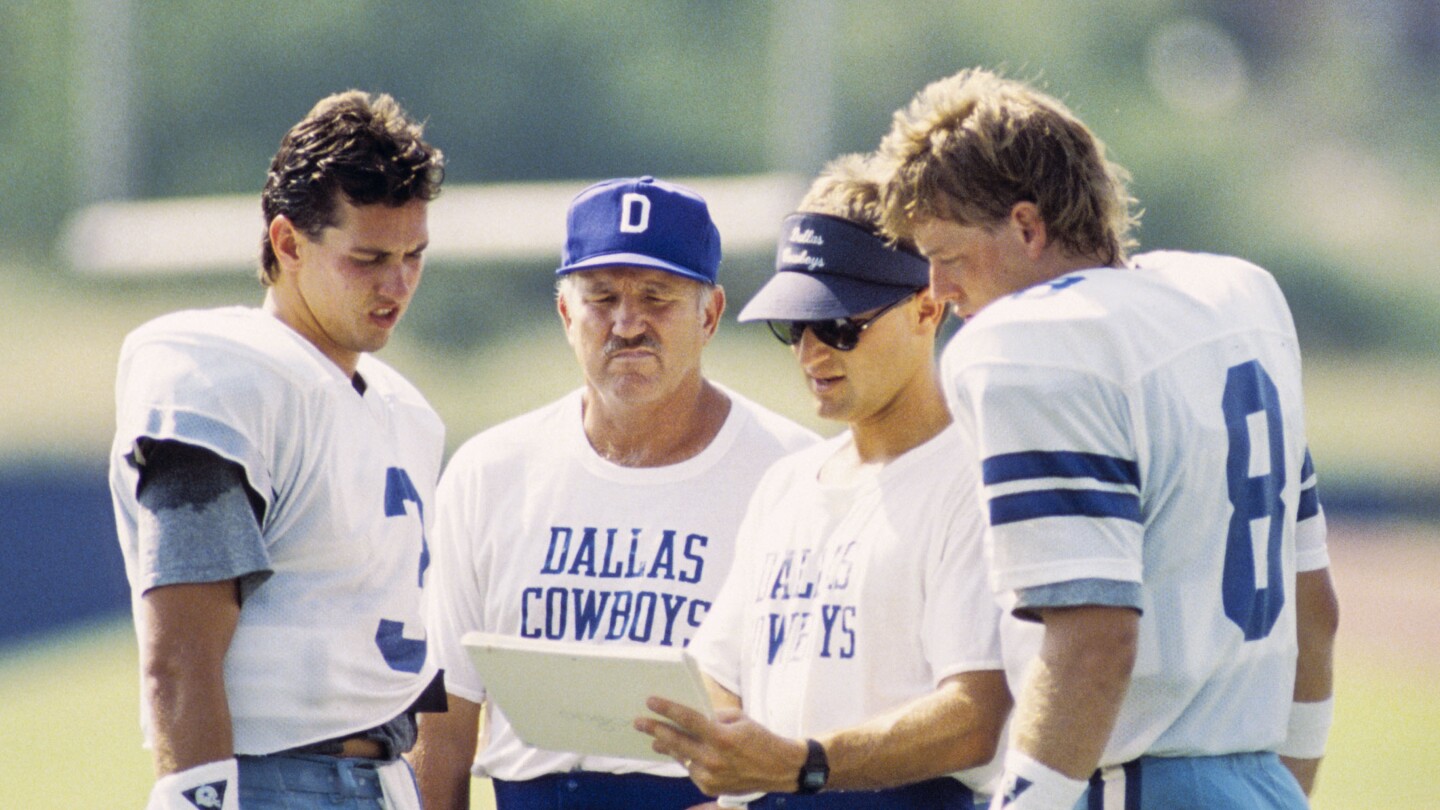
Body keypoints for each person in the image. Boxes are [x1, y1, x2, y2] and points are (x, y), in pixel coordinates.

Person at [875, 67, 1340, 809]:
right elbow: (1315, 608)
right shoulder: (1239, 297)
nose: (937, 288)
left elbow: (1093, 643)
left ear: (1027, 227)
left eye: (949, 257)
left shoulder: (1026, 344)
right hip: (1257, 784)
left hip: (1125, 785)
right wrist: (1287, 787)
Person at [410, 175, 820, 810]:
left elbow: (819, 716)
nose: (628, 325)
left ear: (709, 314)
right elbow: (443, 721)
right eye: (601, 298)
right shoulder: (490, 471)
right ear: (565, 314)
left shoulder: (791, 473)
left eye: (657, 297)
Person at [635, 154, 1013, 809]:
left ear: (927, 308)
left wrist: (802, 765)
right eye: (795, 326)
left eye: (840, 327)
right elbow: (719, 674)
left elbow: (975, 717)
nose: (811, 352)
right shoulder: (787, 484)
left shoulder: (975, 477)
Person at [109, 90, 447, 810]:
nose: (397, 284)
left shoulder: (405, 410)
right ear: (288, 244)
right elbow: (181, 654)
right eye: (369, 258)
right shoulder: (222, 375)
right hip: (272, 781)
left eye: (414, 256)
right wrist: (198, 799)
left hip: (390, 779)